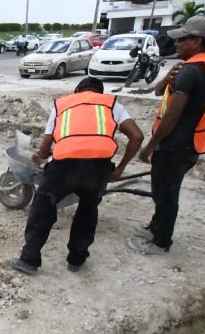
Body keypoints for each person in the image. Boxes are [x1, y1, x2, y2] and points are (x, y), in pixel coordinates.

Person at [9, 76, 144, 274]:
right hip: (98, 168)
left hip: (64, 167)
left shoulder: (63, 104)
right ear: (100, 92)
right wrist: (119, 169)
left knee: (43, 206)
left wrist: (39, 156)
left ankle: (29, 259)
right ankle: (76, 259)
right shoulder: (112, 104)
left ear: (77, 90)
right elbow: (137, 136)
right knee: (88, 211)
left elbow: (45, 151)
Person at [128, 15, 205, 256]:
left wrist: (150, 146)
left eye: (182, 39)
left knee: (166, 193)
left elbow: (172, 116)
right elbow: (158, 91)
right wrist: (171, 74)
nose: (176, 43)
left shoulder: (192, 71)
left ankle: (160, 242)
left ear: (197, 41)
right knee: (163, 190)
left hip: (175, 144)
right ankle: (156, 227)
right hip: (190, 142)